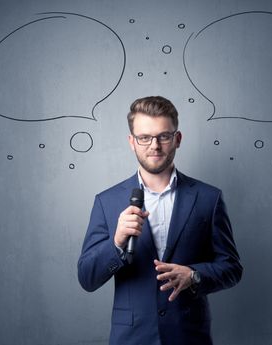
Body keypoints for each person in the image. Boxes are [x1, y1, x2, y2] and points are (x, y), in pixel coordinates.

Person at [78, 96, 243, 345]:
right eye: (144, 137)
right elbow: (87, 278)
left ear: (177, 139)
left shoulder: (209, 198)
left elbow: (232, 268)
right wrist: (116, 244)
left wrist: (195, 275)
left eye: (163, 136)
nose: (154, 146)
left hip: (189, 337)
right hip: (131, 339)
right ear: (132, 142)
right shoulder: (107, 202)